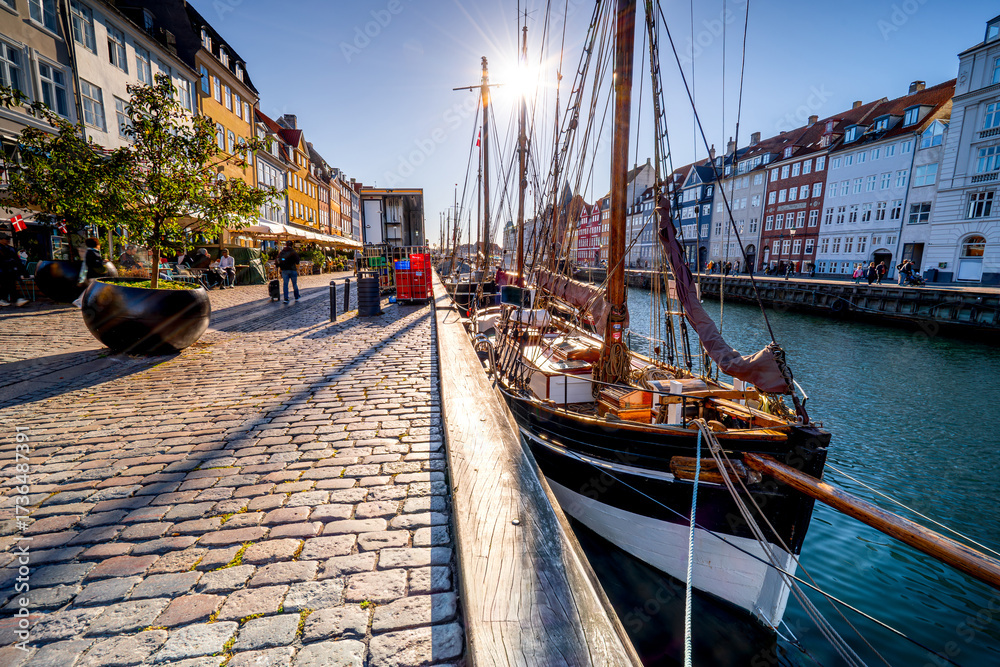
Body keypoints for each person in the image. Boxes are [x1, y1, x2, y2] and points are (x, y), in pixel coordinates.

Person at [72, 238, 107, 307]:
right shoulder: (91, 253)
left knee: (92, 289)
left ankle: (81, 301)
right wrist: (102, 262)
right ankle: (79, 301)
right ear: (96, 244)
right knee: (91, 290)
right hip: (93, 274)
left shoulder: (92, 252)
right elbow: (92, 263)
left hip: (93, 274)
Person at [0, 232, 29, 307]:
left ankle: (13, 299)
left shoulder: (11, 249)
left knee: (11, 285)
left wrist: (23, 270)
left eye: (8, 239)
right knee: (7, 285)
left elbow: (17, 260)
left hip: (11, 270)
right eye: (6, 239)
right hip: (2, 270)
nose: (8, 240)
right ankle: (14, 299)